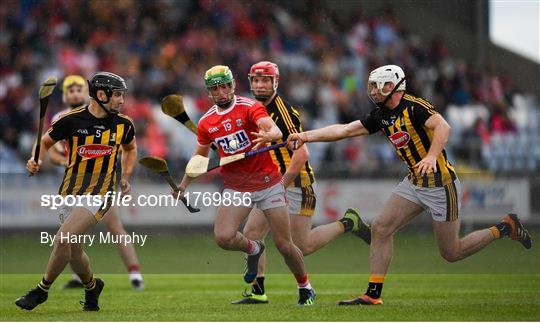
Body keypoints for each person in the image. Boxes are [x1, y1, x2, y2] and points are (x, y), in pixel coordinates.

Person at [287, 64, 532, 305]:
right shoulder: (382, 115)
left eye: (377, 86)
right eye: (371, 86)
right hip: (414, 182)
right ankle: (373, 294)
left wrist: (431, 156)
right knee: (381, 228)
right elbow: (345, 130)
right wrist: (305, 135)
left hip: (440, 183)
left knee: (451, 252)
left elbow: (443, 127)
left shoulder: (414, 107)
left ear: (392, 86)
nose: (372, 91)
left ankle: (504, 227)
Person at [172, 65, 316, 306]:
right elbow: (200, 158)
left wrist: (271, 134)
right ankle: (254, 249)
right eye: (215, 88)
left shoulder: (250, 107)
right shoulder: (207, 122)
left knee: (284, 244)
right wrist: (183, 184)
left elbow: (273, 127)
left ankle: (305, 286)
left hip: (269, 183)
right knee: (223, 237)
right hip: (237, 187)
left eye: (225, 85)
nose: (221, 91)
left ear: (232, 85)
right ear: (209, 92)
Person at [232, 61, 371, 305]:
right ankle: (257, 291)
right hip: (271, 183)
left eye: (265, 80)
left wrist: (281, 185)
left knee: (300, 245)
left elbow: (302, 154)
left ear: (275, 82)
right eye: (256, 80)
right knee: (252, 233)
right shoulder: (254, 108)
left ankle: (348, 222)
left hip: (296, 183)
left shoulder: (281, 111)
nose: (260, 85)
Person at [16, 72, 137, 311]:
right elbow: (45, 142)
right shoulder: (70, 120)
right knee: (74, 252)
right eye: (118, 95)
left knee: (63, 238)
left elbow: (131, 148)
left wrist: (125, 176)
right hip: (69, 193)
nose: (122, 101)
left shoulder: (124, 124)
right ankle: (93, 287)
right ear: (101, 95)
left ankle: (41, 290)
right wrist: (35, 159)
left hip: (100, 194)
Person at [51, 75, 144, 291]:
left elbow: (122, 145)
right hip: (72, 185)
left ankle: (135, 274)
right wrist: (64, 159)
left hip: (99, 185)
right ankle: (82, 278)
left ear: (88, 92)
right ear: (65, 95)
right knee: (72, 238)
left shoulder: (103, 113)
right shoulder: (63, 118)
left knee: (114, 227)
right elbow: (53, 153)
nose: (75, 93)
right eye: (70, 90)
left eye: (79, 89)